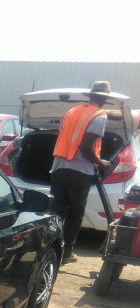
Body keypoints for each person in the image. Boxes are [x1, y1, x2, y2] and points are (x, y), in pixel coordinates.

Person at [50, 80, 112, 264]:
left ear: (91, 95)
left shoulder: (73, 111)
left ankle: (50, 249)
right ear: (104, 98)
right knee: (75, 214)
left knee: (57, 211)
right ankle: (66, 253)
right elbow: (86, 147)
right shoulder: (100, 116)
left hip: (59, 167)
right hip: (79, 172)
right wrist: (101, 162)